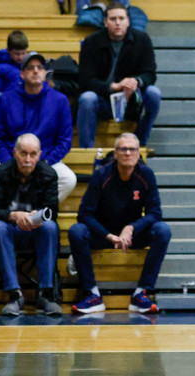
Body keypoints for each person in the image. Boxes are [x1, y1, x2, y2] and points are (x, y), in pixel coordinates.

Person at [69, 132, 170, 314]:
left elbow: (155, 213)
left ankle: (142, 292)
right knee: (77, 231)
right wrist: (108, 235)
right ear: (115, 154)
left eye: (132, 149)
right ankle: (92, 294)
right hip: (104, 234)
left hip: (131, 236)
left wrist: (131, 228)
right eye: (123, 149)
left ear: (139, 154)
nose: (128, 153)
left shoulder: (146, 175)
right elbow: (84, 215)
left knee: (162, 230)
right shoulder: (101, 176)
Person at [0, 133, 61, 316]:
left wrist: (37, 215)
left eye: (33, 154)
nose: (28, 159)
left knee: (50, 226)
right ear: (14, 153)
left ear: (40, 155)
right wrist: (13, 215)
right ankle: (14, 294)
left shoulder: (49, 174)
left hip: (35, 231)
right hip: (8, 231)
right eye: (23, 153)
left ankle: (46, 294)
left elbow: (53, 211)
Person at [0, 53, 76, 204]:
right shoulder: (6, 99)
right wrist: (11, 164)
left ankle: (35, 213)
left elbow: (65, 141)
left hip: (44, 160)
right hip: (11, 158)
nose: (36, 71)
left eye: (40, 67)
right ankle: (12, 211)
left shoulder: (60, 100)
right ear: (22, 73)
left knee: (69, 179)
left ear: (45, 73)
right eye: (30, 68)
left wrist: (44, 163)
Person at [77, 6, 161, 148]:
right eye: (113, 19)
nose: (118, 23)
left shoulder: (142, 40)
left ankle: (139, 144)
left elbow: (150, 74)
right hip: (102, 99)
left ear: (128, 21)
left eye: (121, 18)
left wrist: (135, 82)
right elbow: (85, 80)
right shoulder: (91, 42)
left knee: (154, 94)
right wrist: (113, 87)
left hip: (131, 99)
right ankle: (86, 153)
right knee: (87, 98)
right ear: (105, 22)